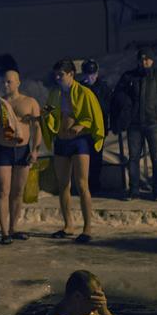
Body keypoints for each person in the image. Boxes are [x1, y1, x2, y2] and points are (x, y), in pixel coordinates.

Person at [41, 59, 104, 243]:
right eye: (56, 75)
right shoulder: (55, 93)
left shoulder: (84, 92)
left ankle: (88, 227)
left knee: (82, 184)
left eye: (61, 74)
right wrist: (41, 117)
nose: (58, 78)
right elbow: (49, 112)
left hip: (79, 142)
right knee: (63, 185)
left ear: (71, 74)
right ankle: (68, 224)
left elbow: (93, 115)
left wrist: (80, 125)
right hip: (62, 141)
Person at [112, 47, 157, 201]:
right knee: (133, 158)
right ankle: (134, 191)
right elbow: (118, 94)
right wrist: (126, 107)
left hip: (153, 123)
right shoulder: (129, 77)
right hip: (134, 125)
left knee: (156, 158)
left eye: (147, 59)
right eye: (142, 59)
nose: (144, 62)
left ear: (152, 60)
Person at [0, 70, 41, 244]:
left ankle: (13, 228)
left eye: (9, 82)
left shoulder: (30, 102)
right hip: (3, 149)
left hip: (22, 150)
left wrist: (35, 150)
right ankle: (4, 232)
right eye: (4, 82)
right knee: (3, 191)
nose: (5, 85)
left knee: (18, 192)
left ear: (18, 82)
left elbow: (37, 128)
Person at [80, 58, 111, 194]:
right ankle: (84, 184)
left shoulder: (103, 88)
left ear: (97, 74)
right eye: (87, 74)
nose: (90, 77)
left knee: (96, 157)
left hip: (99, 127)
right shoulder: (79, 87)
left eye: (92, 74)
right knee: (83, 156)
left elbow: (108, 107)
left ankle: (95, 184)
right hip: (83, 129)